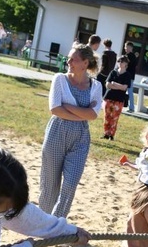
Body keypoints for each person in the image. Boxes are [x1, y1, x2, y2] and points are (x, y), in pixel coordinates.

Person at [39, 42, 103, 218]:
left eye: (73, 60)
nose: (69, 62)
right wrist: (82, 114)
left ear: (85, 63)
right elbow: (55, 109)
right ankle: (44, 222)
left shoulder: (96, 86)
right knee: (49, 183)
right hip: (57, 132)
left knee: (70, 183)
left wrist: (68, 106)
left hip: (81, 137)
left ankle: (58, 222)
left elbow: (93, 115)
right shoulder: (59, 79)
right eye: (68, 59)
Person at [101, 55, 131, 140]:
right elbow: (107, 85)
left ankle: (111, 135)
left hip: (119, 99)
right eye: (119, 61)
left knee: (114, 117)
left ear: (126, 64)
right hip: (109, 97)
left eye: (122, 61)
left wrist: (114, 83)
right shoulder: (113, 72)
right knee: (107, 116)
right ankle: (106, 133)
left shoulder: (127, 75)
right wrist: (118, 86)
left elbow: (124, 88)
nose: (120, 63)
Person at [124, 41, 139, 112]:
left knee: (130, 91)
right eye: (125, 47)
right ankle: (128, 105)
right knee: (127, 91)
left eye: (127, 47)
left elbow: (127, 65)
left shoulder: (130, 56)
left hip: (129, 77)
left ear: (131, 48)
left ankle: (132, 107)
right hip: (129, 76)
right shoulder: (130, 56)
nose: (125, 49)